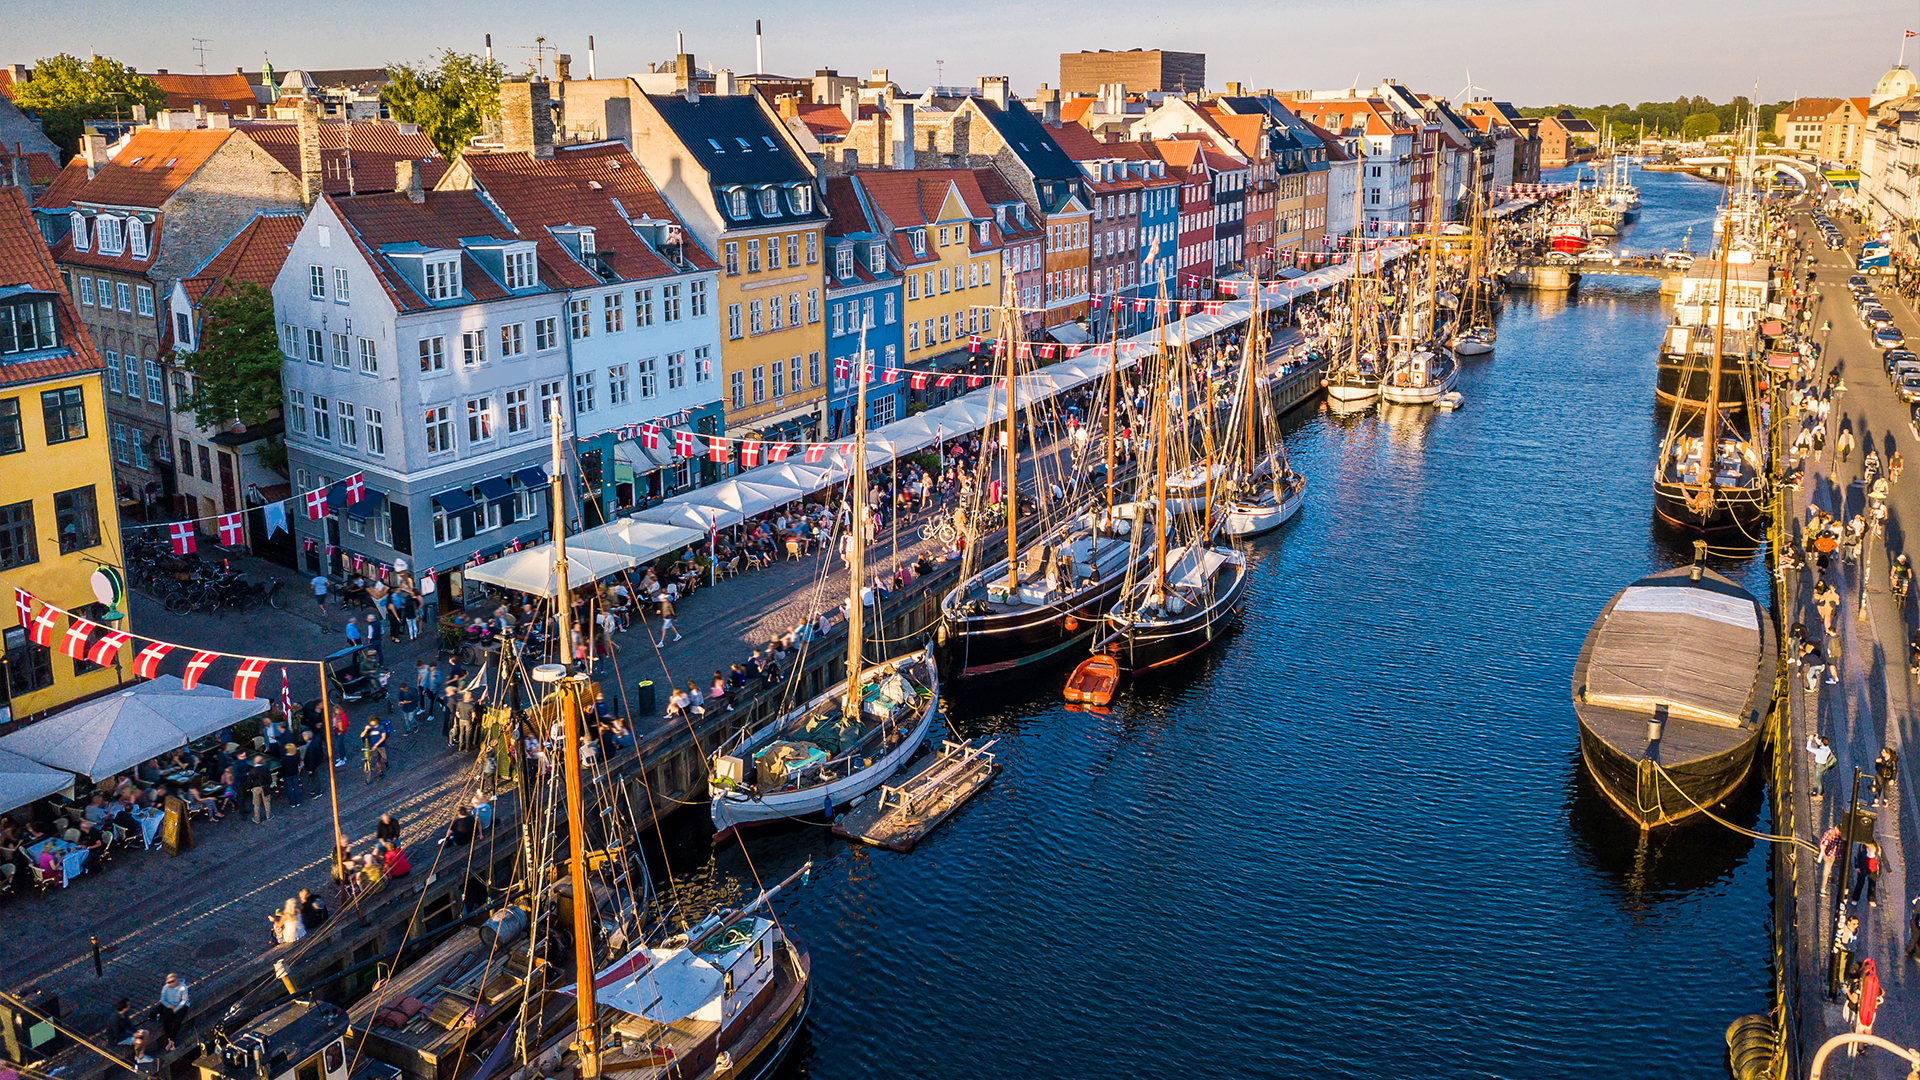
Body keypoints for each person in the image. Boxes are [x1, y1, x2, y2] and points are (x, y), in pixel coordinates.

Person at [156, 974, 190, 1050]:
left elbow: (184, 1000)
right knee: (166, 1020)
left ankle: (172, 1040)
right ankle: (170, 1040)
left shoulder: (183, 987)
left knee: (177, 1020)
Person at [1808, 734, 1837, 800]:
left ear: (1822, 742)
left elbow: (1808, 748)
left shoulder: (1820, 751)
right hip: (1823, 765)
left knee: (1818, 780)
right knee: (1819, 779)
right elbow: (1820, 743)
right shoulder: (1827, 748)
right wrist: (1815, 738)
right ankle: (1819, 791)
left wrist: (1810, 740)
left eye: (1820, 741)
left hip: (1819, 766)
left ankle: (1820, 795)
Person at [247, 755, 272, 824]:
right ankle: (268, 816)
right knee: (267, 802)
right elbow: (270, 780)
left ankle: (257, 818)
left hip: (256, 788)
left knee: (256, 804)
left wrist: (250, 788)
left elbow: (248, 781)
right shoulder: (265, 769)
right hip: (265, 787)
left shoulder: (252, 771)